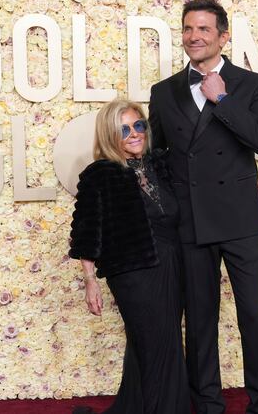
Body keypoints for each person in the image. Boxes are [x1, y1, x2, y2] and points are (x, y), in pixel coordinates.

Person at [148, 0, 258, 414]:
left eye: (204, 29)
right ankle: (208, 405)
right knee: (200, 320)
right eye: (188, 29)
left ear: (223, 37)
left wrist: (223, 101)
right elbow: (156, 156)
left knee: (253, 316)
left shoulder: (251, 84)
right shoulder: (164, 91)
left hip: (242, 221)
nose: (194, 36)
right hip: (191, 223)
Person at [68, 99, 190, 414]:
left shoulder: (159, 164)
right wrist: (90, 282)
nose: (135, 134)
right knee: (157, 347)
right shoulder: (100, 174)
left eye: (139, 125)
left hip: (171, 265)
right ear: (110, 135)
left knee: (155, 346)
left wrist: (252, 175)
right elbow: (86, 232)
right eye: (124, 129)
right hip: (133, 274)